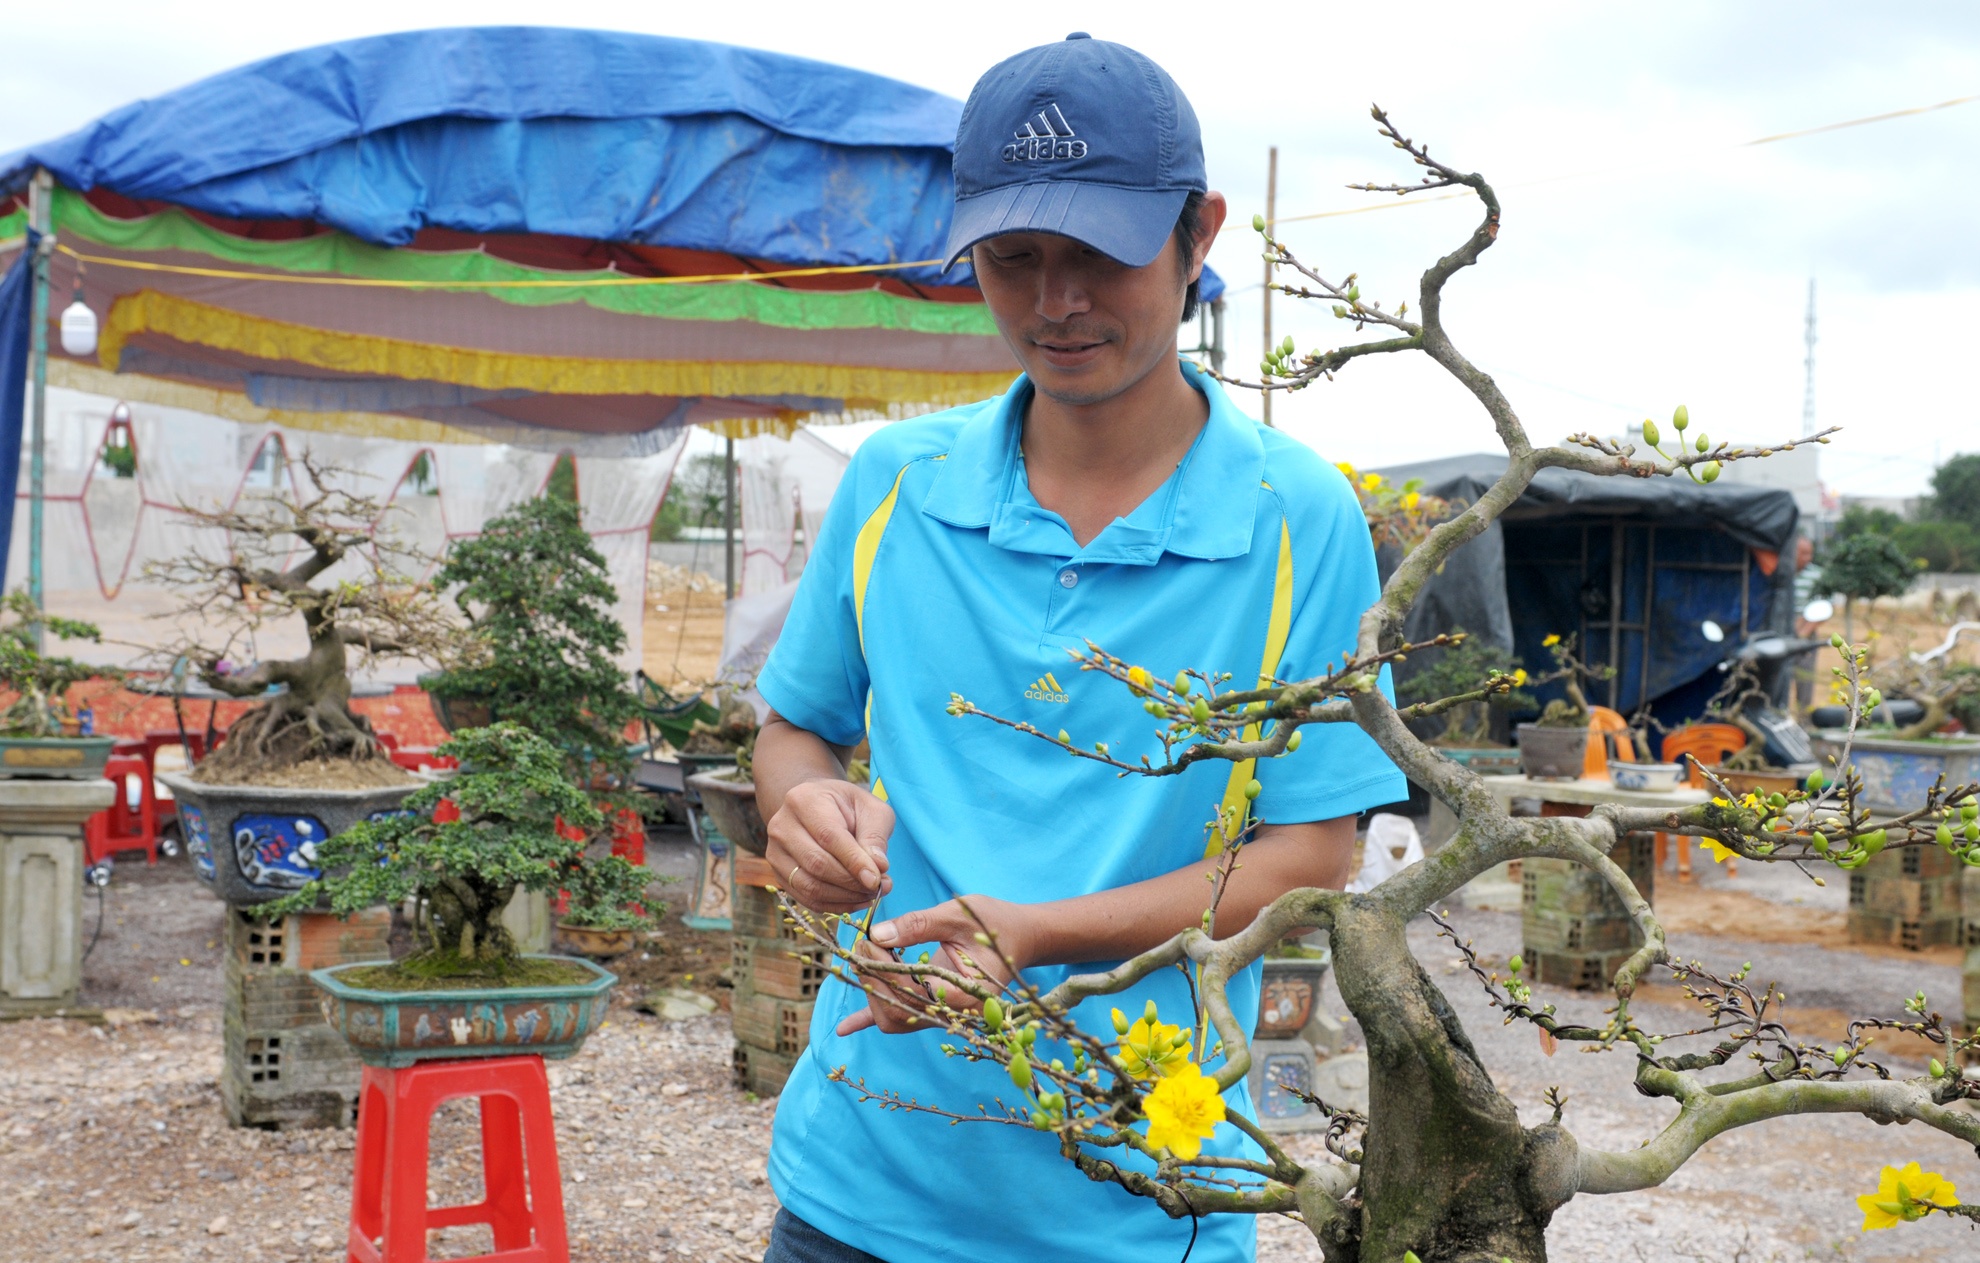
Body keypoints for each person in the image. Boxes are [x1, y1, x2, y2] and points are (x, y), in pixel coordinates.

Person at [751, 34, 1405, 1263]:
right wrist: (803, 811)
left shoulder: (1292, 519)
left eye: (1100, 257)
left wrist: (1039, 932)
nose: (1057, 303)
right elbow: (797, 728)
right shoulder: (897, 485)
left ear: (1197, 234)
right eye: (1014, 259)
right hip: (863, 1176)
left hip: (1144, 1199)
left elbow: (1314, 850)